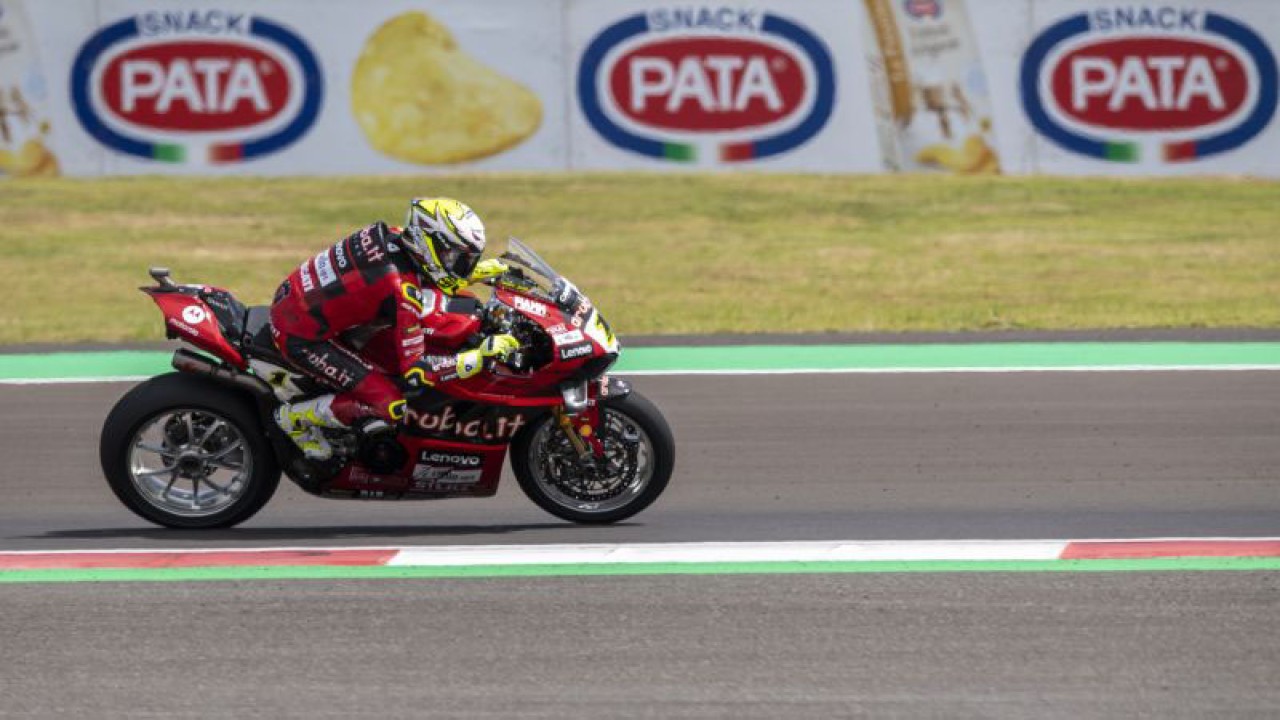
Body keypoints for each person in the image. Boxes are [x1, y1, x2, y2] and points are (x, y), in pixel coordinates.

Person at [268, 197, 518, 460]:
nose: (460, 265)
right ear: (427, 242)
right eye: (456, 257)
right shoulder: (401, 290)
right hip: (301, 337)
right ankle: (295, 418)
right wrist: (479, 358)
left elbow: (426, 274)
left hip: (297, 301)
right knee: (391, 404)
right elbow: (417, 371)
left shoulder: (396, 236)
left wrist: (474, 273)